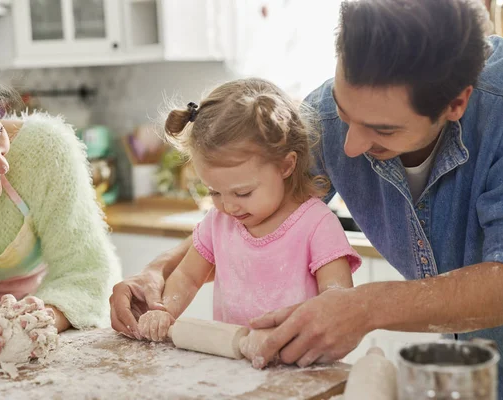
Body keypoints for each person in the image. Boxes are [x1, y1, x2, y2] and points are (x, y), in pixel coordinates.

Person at [111, 0, 503, 396]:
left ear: (457, 102)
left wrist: (363, 306)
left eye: (382, 130)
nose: (349, 146)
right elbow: (249, 218)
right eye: (344, 112)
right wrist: (157, 273)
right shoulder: (324, 118)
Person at [132, 79, 361, 357]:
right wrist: (164, 311)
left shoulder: (317, 225)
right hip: (234, 363)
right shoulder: (218, 222)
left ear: (286, 165)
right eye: (214, 191)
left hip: (299, 364)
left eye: (243, 192)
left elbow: (337, 300)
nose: (228, 206)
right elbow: (188, 277)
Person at [0, 48, 121, 364]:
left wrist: (41, 319)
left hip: (56, 339)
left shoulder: (46, 150)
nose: (0, 164)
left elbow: (87, 268)